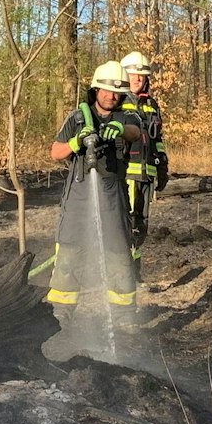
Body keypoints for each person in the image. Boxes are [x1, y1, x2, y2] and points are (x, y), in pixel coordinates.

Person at [46, 60, 148, 321]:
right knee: (68, 260)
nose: (111, 96)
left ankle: (125, 322)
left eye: (116, 93)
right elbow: (56, 152)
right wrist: (75, 141)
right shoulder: (78, 117)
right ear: (95, 90)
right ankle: (60, 320)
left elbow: (136, 132)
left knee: (119, 260)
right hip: (78, 196)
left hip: (113, 197)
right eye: (106, 91)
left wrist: (121, 130)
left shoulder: (127, 116)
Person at [117, 51, 168, 252]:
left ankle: (135, 273)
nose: (137, 79)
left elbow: (157, 140)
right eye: (132, 74)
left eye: (142, 75)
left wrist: (162, 166)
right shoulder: (118, 103)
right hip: (126, 174)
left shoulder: (152, 106)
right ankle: (123, 273)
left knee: (141, 224)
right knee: (124, 221)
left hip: (147, 175)